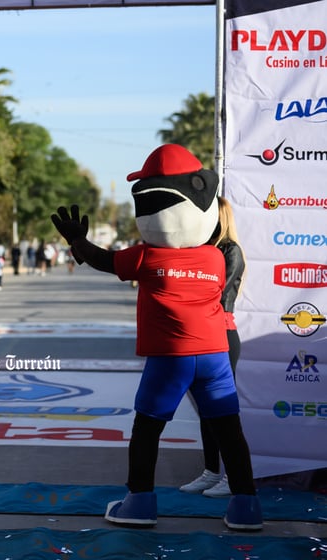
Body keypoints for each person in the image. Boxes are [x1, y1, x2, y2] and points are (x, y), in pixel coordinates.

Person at [50, 144, 261, 532]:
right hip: (214, 354)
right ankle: (246, 507)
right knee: (230, 432)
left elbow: (104, 260)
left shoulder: (147, 256)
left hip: (170, 358)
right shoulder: (214, 258)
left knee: (147, 430)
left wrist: (76, 242)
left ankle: (140, 503)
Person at [179, 196, 245, 498]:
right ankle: (211, 471)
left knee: (222, 410)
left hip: (221, 334)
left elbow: (213, 293)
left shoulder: (231, 251)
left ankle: (233, 477)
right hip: (198, 335)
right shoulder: (200, 251)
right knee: (206, 409)